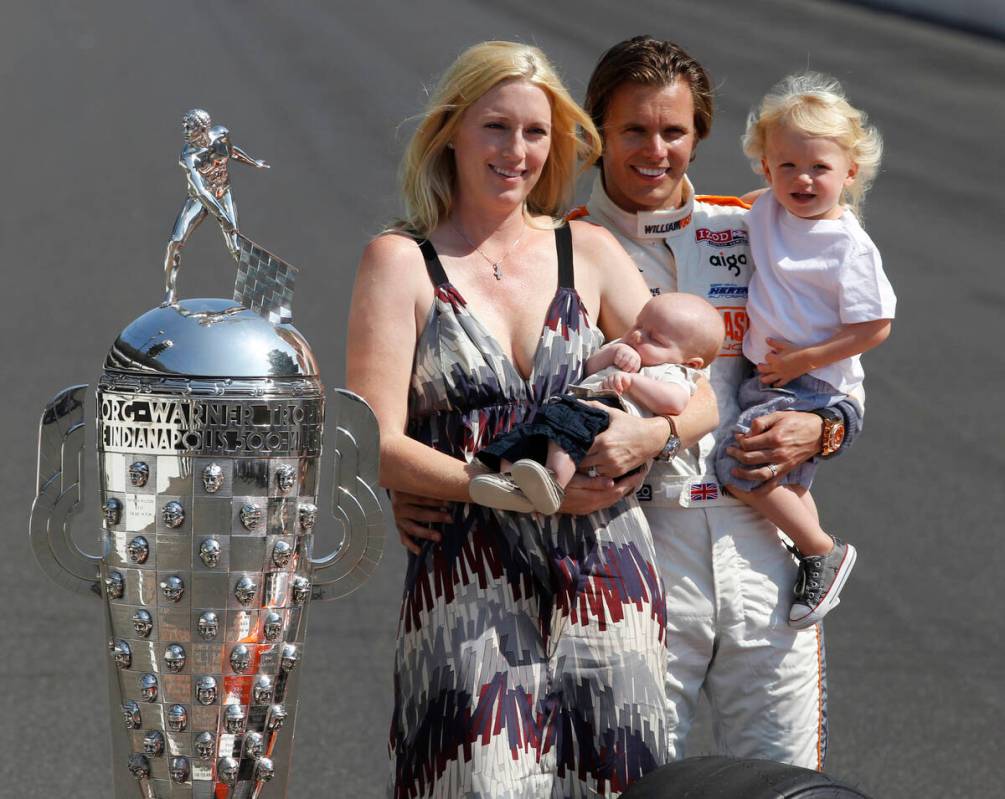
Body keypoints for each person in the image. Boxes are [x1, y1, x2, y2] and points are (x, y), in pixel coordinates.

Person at [346, 41, 718, 797]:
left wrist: (650, 435)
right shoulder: (400, 260)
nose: (515, 151)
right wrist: (494, 489)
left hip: (606, 567)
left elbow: (697, 386)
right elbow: (372, 441)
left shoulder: (586, 247)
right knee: (478, 778)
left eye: (536, 133)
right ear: (451, 129)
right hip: (468, 571)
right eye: (496, 127)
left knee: (615, 778)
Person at [565, 36, 872, 769]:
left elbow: (845, 377)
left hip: (762, 542)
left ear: (698, 135)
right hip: (632, 546)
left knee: (782, 778)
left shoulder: (758, 226)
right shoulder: (561, 248)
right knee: (627, 776)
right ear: (596, 132)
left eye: (672, 131)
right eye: (632, 129)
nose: (654, 150)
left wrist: (820, 427)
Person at [713, 73, 895, 629]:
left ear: (849, 173)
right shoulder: (767, 209)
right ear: (767, 168)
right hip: (769, 379)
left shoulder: (848, 246)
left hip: (816, 389)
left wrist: (804, 360)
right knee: (784, 482)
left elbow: (875, 327)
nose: (803, 178)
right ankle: (809, 563)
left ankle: (822, 552)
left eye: (820, 167)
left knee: (737, 463)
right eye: (787, 165)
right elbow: (726, 208)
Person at [471, 293, 724, 514]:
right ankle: (510, 480)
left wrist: (633, 381)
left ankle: (554, 482)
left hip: (610, 417)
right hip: (579, 405)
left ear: (691, 362)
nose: (636, 335)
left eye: (654, 339)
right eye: (638, 324)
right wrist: (612, 353)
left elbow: (675, 403)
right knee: (530, 434)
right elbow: (590, 367)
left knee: (567, 434)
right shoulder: (626, 345)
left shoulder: (674, 371)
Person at [162, 108, 270, 304]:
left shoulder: (221, 135)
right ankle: (170, 291)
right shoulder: (188, 156)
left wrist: (254, 163)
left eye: (190, 127)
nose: (185, 131)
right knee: (174, 243)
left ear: (203, 128)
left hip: (222, 193)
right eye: (184, 127)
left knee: (236, 247)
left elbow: (232, 152)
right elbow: (202, 192)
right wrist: (223, 218)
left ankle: (258, 293)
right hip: (198, 199)